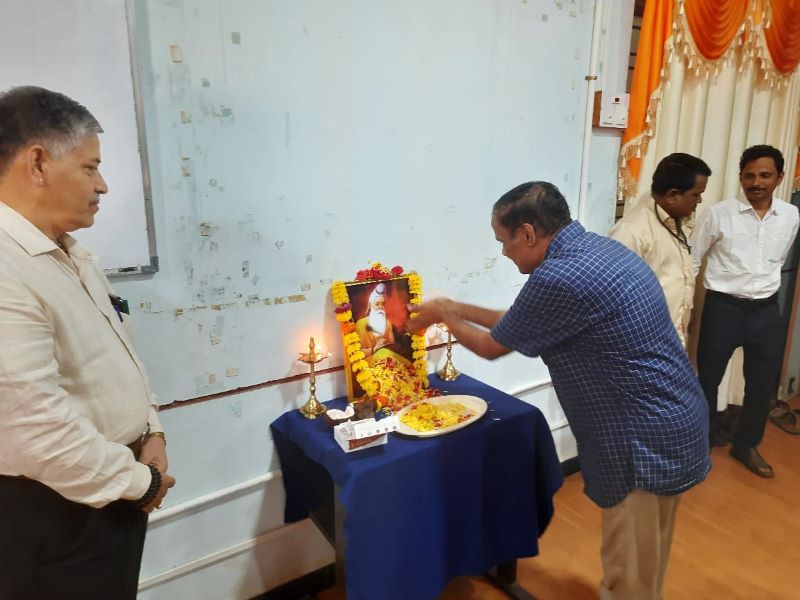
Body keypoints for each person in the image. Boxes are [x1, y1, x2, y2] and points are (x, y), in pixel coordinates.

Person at [408, 181, 709, 600]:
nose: (504, 253)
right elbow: (521, 318)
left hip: (640, 439)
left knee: (628, 573)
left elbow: (492, 346)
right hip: (673, 417)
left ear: (528, 233)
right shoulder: (598, 251)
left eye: (504, 241)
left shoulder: (559, 276)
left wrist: (442, 317)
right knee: (647, 558)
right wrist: (454, 308)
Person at [0, 86, 175, 599]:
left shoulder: (70, 254)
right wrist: (141, 483)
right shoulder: (7, 270)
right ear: (38, 163)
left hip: (114, 486)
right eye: (90, 168)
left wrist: (152, 430)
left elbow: (119, 352)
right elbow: (34, 429)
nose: (103, 186)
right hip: (57, 512)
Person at [692, 144, 799, 478]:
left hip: (766, 311)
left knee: (761, 384)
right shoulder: (718, 214)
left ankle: (746, 445)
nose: (756, 182)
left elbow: (777, 260)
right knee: (708, 379)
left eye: (765, 175)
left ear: (779, 177)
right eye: (749, 175)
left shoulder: (791, 216)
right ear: (740, 177)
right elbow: (692, 260)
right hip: (723, 308)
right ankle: (702, 441)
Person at [609, 153, 711, 346]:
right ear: (672, 195)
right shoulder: (631, 232)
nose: (699, 201)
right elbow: (615, 299)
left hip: (672, 339)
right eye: (695, 194)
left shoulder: (675, 219)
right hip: (644, 346)